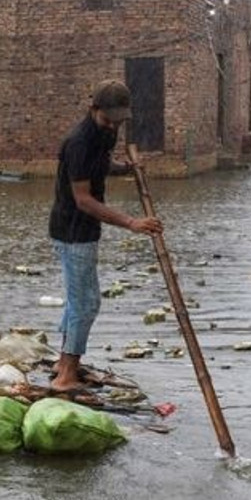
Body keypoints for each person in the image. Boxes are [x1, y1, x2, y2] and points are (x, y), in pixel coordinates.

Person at [48, 81, 163, 393]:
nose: (112, 126)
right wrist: (132, 222)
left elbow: (98, 166)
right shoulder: (79, 141)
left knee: (77, 299)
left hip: (84, 230)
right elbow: (83, 199)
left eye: (117, 120)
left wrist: (124, 167)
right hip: (72, 230)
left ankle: (63, 362)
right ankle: (66, 377)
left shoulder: (106, 132)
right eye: (107, 119)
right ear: (93, 109)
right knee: (86, 303)